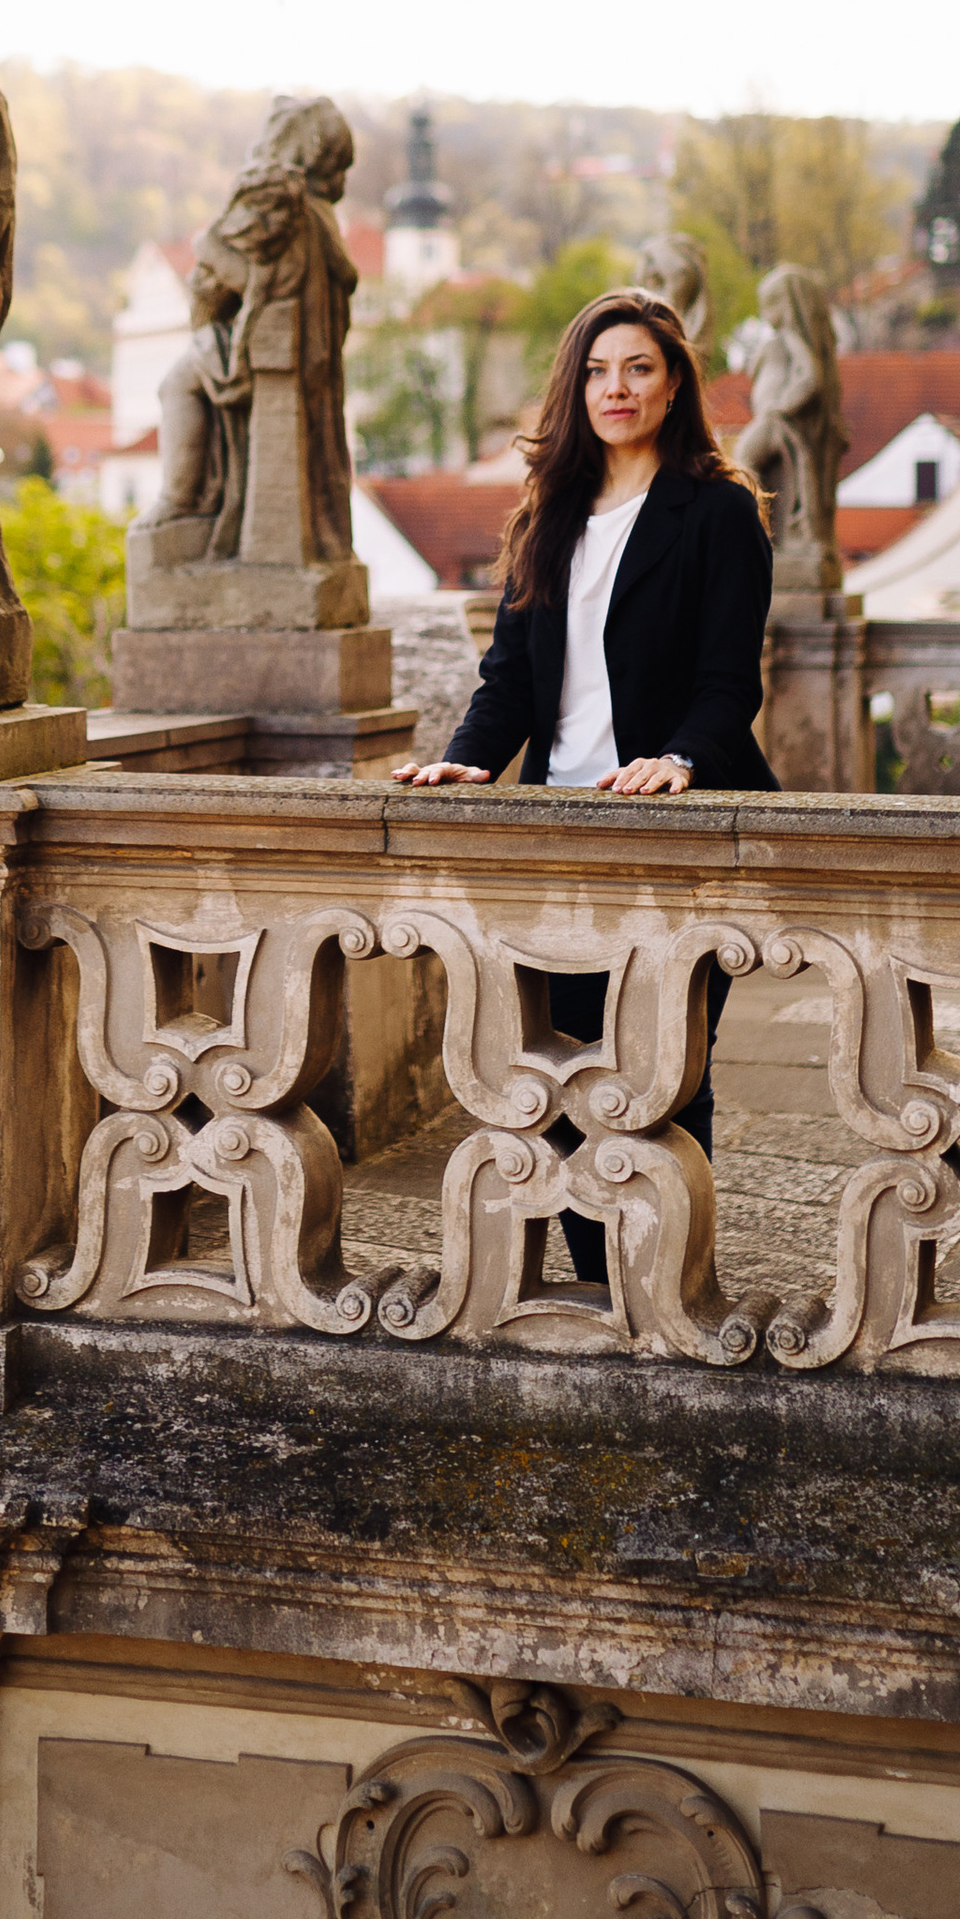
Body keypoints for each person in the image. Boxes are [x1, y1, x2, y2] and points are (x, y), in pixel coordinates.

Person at [391, 288, 775, 1282]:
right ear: (575, 389)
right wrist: (468, 757)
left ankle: (670, 1287)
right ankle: (605, 1285)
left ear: (674, 382)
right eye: (598, 371)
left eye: (639, 368)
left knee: (658, 1080)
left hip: (670, 829)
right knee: (556, 1076)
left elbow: (729, 684)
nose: (617, 387)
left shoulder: (719, 513)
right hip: (555, 837)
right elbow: (509, 679)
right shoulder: (549, 518)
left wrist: (679, 758)